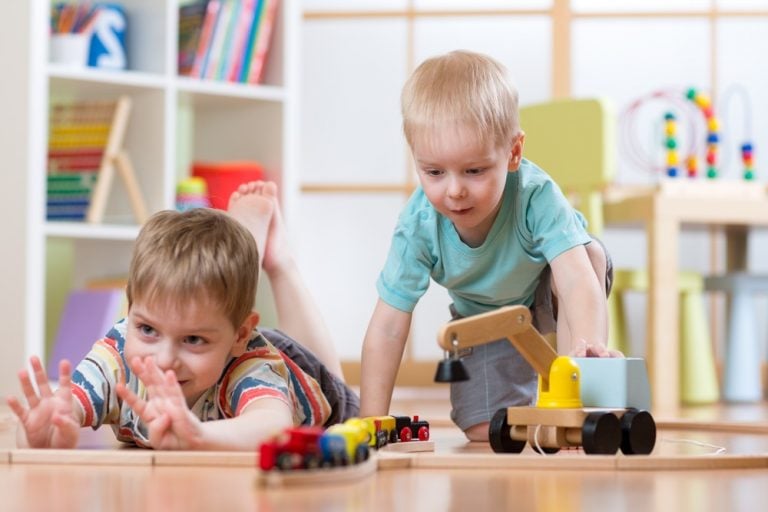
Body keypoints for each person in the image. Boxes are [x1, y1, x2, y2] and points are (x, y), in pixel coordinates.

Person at [359, 50, 617, 442]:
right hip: (484, 320)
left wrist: (586, 357)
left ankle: (575, 396)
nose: (455, 190)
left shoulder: (536, 195)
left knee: (590, 254)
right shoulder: (418, 226)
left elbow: (577, 281)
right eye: (434, 172)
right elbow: (389, 327)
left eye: (474, 171)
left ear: (513, 153)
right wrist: (369, 424)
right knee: (487, 432)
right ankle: (535, 403)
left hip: (547, 293)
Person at [7, 181, 358, 450]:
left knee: (336, 385)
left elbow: (273, 425)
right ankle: (243, 244)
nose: (164, 360)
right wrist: (41, 432)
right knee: (218, 301)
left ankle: (277, 262)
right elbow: (67, 412)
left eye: (192, 340)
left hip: (297, 376)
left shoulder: (250, 365)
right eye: (146, 329)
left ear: (239, 336)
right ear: (130, 314)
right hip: (222, 328)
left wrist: (198, 435)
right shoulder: (117, 356)